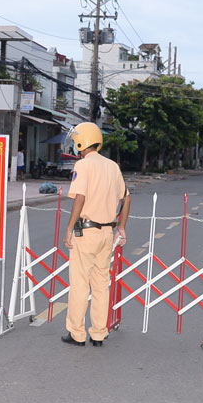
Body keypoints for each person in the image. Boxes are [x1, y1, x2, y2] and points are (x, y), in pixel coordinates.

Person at [61, 122, 130, 346]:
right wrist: (121, 227)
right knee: (101, 284)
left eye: (75, 142)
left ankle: (77, 333)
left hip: (86, 232)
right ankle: (99, 333)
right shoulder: (112, 166)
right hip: (107, 233)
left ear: (82, 142)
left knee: (80, 283)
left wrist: (70, 227)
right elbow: (126, 197)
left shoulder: (83, 165)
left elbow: (79, 198)